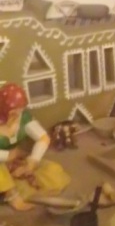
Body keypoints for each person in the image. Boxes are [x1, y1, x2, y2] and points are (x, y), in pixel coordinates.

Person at [0, 83, 70, 211]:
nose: (18, 114)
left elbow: (43, 138)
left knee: (51, 171)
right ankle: (12, 196)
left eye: (20, 109)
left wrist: (32, 161)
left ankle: (15, 183)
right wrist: (8, 155)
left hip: (12, 160)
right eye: (14, 110)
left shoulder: (23, 118)